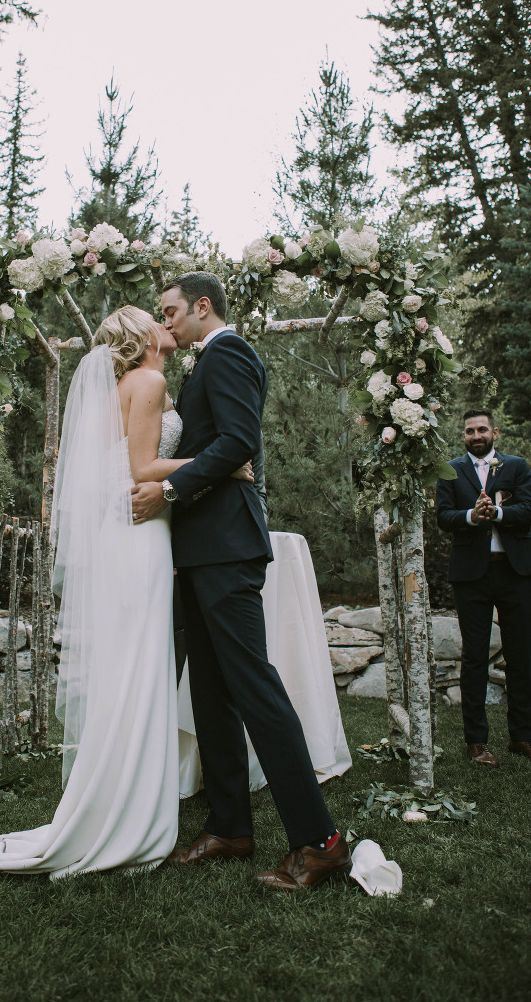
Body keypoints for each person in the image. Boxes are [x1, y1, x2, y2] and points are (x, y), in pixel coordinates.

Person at [0, 306, 254, 878]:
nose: (165, 324)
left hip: (130, 534)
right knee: (140, 666)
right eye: (157, 318)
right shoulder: (147, 380)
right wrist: (222, 465)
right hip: (141, 535)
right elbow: (142, 468)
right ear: (140, 335)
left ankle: (122, 798)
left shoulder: (129, 385)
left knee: (132, 665)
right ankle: (131, 811)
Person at [131, 272, 351, 891]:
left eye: (170, 310)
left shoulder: (228, 352)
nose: (164, 321)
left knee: (255, 686)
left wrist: (170, 489)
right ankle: (230, 826)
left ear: (203, 306)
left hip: (227, 546)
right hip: (201, 550)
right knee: (210, 692)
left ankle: (320, 842)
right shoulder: (204, 360)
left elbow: (238, 442)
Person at [436, 409, 531, 766]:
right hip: (471, 576)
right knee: (474, 657)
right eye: (469, 431)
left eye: (481, 430)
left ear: (494, 432)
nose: (476, 436)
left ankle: (521, 736)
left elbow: (528, 509)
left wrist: (498, 514)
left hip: (515, 573)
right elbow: (444, 516)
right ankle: (476, 741)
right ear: (463, 436)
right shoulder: (450, 470)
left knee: (521, 655)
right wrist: (471, 516)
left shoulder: (516, 466)